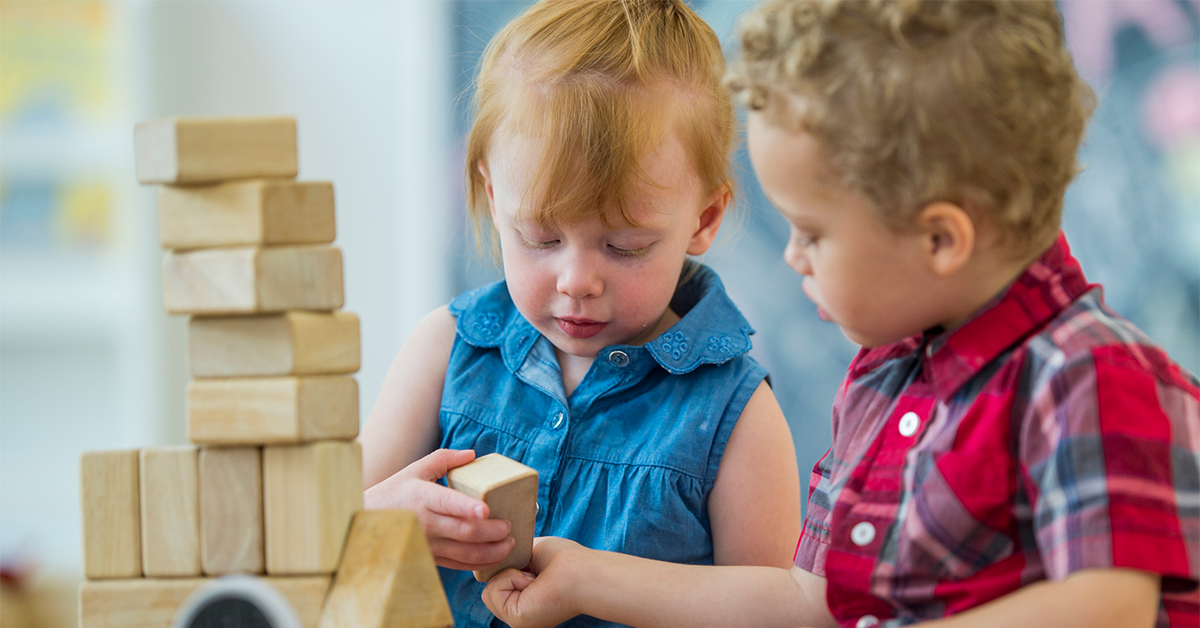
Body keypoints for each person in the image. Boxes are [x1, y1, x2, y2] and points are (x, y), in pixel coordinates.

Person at [480, 0, 1200, 626]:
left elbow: (1107, 610)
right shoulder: (884, 380)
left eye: (815, 232)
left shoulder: (1090, 376)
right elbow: (811, 604)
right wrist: (589, 579)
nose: (793, 256)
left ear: (940, 238)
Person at [357, 1, 802, 626]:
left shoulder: (735, 416)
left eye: (625, 246)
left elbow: (775, 611)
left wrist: (602, 585)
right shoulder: (445, 350)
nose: (576, 282)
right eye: (539, 237)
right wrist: (380, 516)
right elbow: (318, 531)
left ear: (703, 220)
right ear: (492, 195)